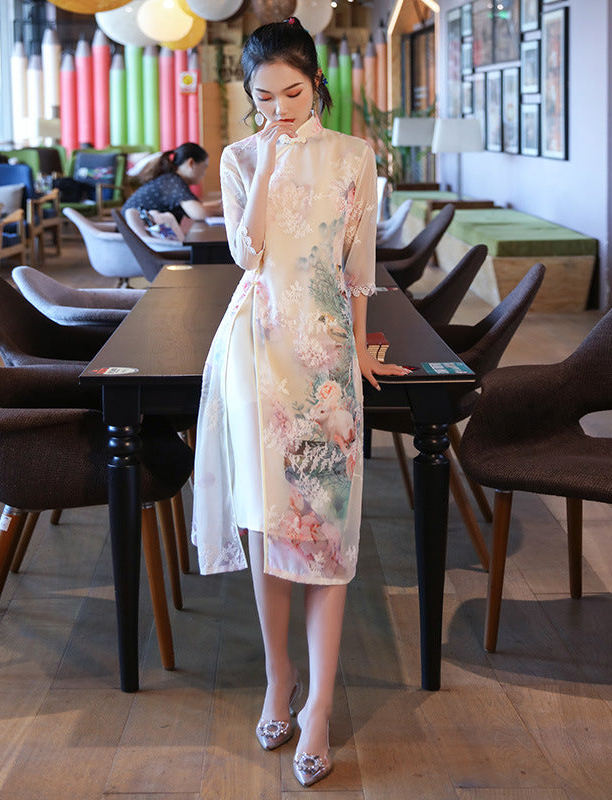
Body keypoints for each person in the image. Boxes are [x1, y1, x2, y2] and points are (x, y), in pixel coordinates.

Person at [191, 17, 409, 788]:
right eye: (264, 96)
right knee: (270, 519)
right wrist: (274, 163)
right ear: (248, 96)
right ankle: (278, 678)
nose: (280, 106)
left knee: (325, 530)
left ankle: (318, 705)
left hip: (323, 366)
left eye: (292, 91)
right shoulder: (243, 156)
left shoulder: (355, 156)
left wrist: (358, 349)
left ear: (315, 83)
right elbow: (245, 256)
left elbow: (357, 266)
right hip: (259, 354)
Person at [121, 142, 222, 233]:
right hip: (133, 240)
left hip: (136, 237)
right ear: (191, 163)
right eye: (204, 167)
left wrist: (220, 204)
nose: (204, 174)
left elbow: (197, 206)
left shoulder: (171, 179)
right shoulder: (172, 182)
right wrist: (226, 210)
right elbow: (198, 213)